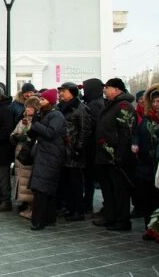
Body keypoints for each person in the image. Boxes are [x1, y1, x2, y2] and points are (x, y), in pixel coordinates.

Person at [92, 78, 137, 231]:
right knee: (108, 190)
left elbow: (127, 133)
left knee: (119, 191)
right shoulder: (111, 105)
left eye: (108, 87)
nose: (104, 90)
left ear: (117, 90)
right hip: (105, 157)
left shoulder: (124, 106)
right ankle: (110, 217)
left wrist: (119, 155)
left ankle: (122, 221)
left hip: (117, 159)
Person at [26, 90, 66, 230]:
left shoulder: (56, 115)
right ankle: (47, 219)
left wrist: (36, 123)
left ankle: (39, 220)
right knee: (43, 187)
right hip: (44, 153)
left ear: (50, 101)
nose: (40, 102)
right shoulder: (45, 114)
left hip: (51, 154)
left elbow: (50, 133)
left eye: (43, 99)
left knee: (43, 188)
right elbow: (34, 132)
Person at [133, 84, 159, 230]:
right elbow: (137, 133)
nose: (156, 104)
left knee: (158, 199)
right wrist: (135, 144)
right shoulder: (147, 118)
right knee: (147, 198)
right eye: (153, 101)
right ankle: (149, 227)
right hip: (145, 165)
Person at [58, 81, 93, 222]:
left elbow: (85, 130)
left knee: (76, 183)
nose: (61, 93)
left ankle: (78, 210)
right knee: (66, 182)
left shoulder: (81, 108)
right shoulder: (62, 107)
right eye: (60, 91)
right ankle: (70, 207)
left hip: (74, 151)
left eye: (64, 91)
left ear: (72, 93)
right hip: (63, 150)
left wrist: (78, 148)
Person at [11, 97, 37, 220]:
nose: (27, 109)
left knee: (28, 182)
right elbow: (14, 132)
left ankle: (32, 207)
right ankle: (26, 205)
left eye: (30, 107)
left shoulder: (37, 121)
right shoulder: (23, 120)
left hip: (28, 154)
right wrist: (15, 137)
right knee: (21, 180)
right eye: (27, 107)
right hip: (20, 154)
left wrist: (26, 137)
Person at [83, 78, 105, 214]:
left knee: (91, 177)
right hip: (95, 147)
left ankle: (88, 203)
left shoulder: (94, 105)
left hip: (93, 148)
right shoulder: (98, 103)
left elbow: (92, 126)